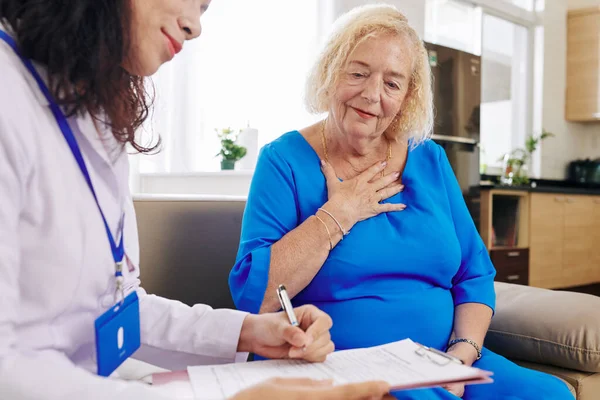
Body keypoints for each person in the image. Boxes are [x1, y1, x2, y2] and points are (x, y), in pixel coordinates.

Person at [0, 1, 394, 399]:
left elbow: (118, 306)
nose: (194, 26)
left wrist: (250, 333)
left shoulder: (96, 116)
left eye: (204, 7)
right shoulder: (9, 97)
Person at [229, 4, 574, 399]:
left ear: (408, 96)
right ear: (329, 71)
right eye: (357, 73)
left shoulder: (430, 159)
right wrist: (338, 213)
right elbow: (256, 297)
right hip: (343, 364)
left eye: (392, 83)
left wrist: (460, 357)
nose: (372, 94)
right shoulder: (284, 160)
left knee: (551, 394)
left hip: (444, 357)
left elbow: (474, 274)